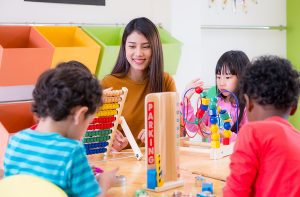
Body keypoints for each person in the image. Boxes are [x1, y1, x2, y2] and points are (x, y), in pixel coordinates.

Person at [4, 61, 118, 197]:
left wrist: (81, 175)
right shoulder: (72, 151)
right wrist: (105, 183)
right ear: (80, 115)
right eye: (89, 121)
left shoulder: (16, 141)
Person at [223, 55, 300, 196]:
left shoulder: (252, 132)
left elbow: (235, 192)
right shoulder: (297, 138)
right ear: (294, 108)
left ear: (249, 103)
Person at [101, 17, 176, 151]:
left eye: (146, 46)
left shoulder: (165, 81)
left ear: (155, 49)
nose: (138, 53)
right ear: (124, 48)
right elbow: (98, 136)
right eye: (132, 46)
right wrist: (108, 142)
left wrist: (158, 135)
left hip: (156, 161)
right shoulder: (108, 84)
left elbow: (178, 130)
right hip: (121, 164)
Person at [181, 50, 249, 140]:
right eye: (218, 77)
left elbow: (247, 139)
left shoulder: (246, 108)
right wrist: (186, 101)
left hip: (233, 153)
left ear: (242, 78)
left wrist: (223, 134)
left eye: (227, 77)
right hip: (213, 153)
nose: (221, 83)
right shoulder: (214, 102)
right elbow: (194, 128)